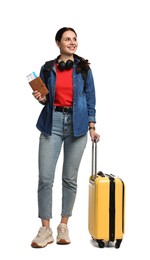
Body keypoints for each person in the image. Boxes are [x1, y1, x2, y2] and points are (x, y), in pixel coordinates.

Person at [31, 27, 100, 248]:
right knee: (45, 178)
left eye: (74, 39)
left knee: (69, 179)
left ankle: (63, 226)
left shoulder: (83, 68)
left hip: (78, 126)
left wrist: (92, 126)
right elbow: (45, 99)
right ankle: (45, 229)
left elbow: (90, 96)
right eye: (67, 39)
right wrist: (41, 98)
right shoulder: (48, 68)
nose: (72, 42)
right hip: (53, 124)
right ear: (58, 43)